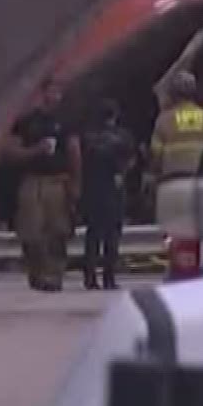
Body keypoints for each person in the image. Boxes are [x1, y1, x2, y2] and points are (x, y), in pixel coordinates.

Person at [2, 79, 80, 292]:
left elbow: (74, 152)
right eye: (50, 91)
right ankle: (36, 272)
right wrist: (35, 151)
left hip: (57, 180)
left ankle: (54, 275)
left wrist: (75, 183)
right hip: (32, 179)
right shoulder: (27, 121)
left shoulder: (66, 121)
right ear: (42, 93)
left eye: (58, 91)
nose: (54, 95)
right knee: (31, 232)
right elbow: (10, 151)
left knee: (58, 230)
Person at [78, 101, 136, 290]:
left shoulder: (88, 137)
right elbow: (130, 161)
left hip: (93, 189)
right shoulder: (123, 137)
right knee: (112, 235)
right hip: (114, 189)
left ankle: (90, 277)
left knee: (93, 235)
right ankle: (109, 277)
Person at [149, 71, 203, 191]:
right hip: (200, 175)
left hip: (172, 176)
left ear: (172, 94)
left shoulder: (164, 119)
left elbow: (156, 153)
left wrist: (155, 174)